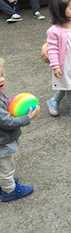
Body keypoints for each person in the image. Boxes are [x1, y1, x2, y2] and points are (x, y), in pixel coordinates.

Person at [0, 58, 40, 202]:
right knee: (6, 167)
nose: (1, 79)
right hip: (2, 144)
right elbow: (7, 122)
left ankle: (4, 183)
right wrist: (27, 117)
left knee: (2, 167)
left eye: (1, 74)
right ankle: (9, 190)